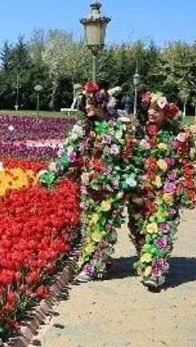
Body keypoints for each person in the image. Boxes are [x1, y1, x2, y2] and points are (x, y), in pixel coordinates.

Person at [39, 82, 137, 282]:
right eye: (85, 102)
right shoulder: (82, 127)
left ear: (102, 103)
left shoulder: (119, 126)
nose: (86, 106)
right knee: (89, 226)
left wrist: (128, 180)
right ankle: (100, 261)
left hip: (112, 188)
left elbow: (129, 156)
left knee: (104, 225)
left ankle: (94, 267)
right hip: (89, 188)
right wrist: (51, 175)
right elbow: (68, 153)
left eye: (90, 102)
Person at [127, 91, 196, 291]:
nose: (151, 113)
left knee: (161, 230)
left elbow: (187, 162)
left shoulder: (178, 134)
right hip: (140, 192)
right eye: (150, 109)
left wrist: (184, 187)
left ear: (166, 112)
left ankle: (156, 273)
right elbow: (128, 159)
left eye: (157, 110)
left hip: (166, 192)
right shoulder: (138, 132)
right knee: (140, 230)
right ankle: (146, 262)